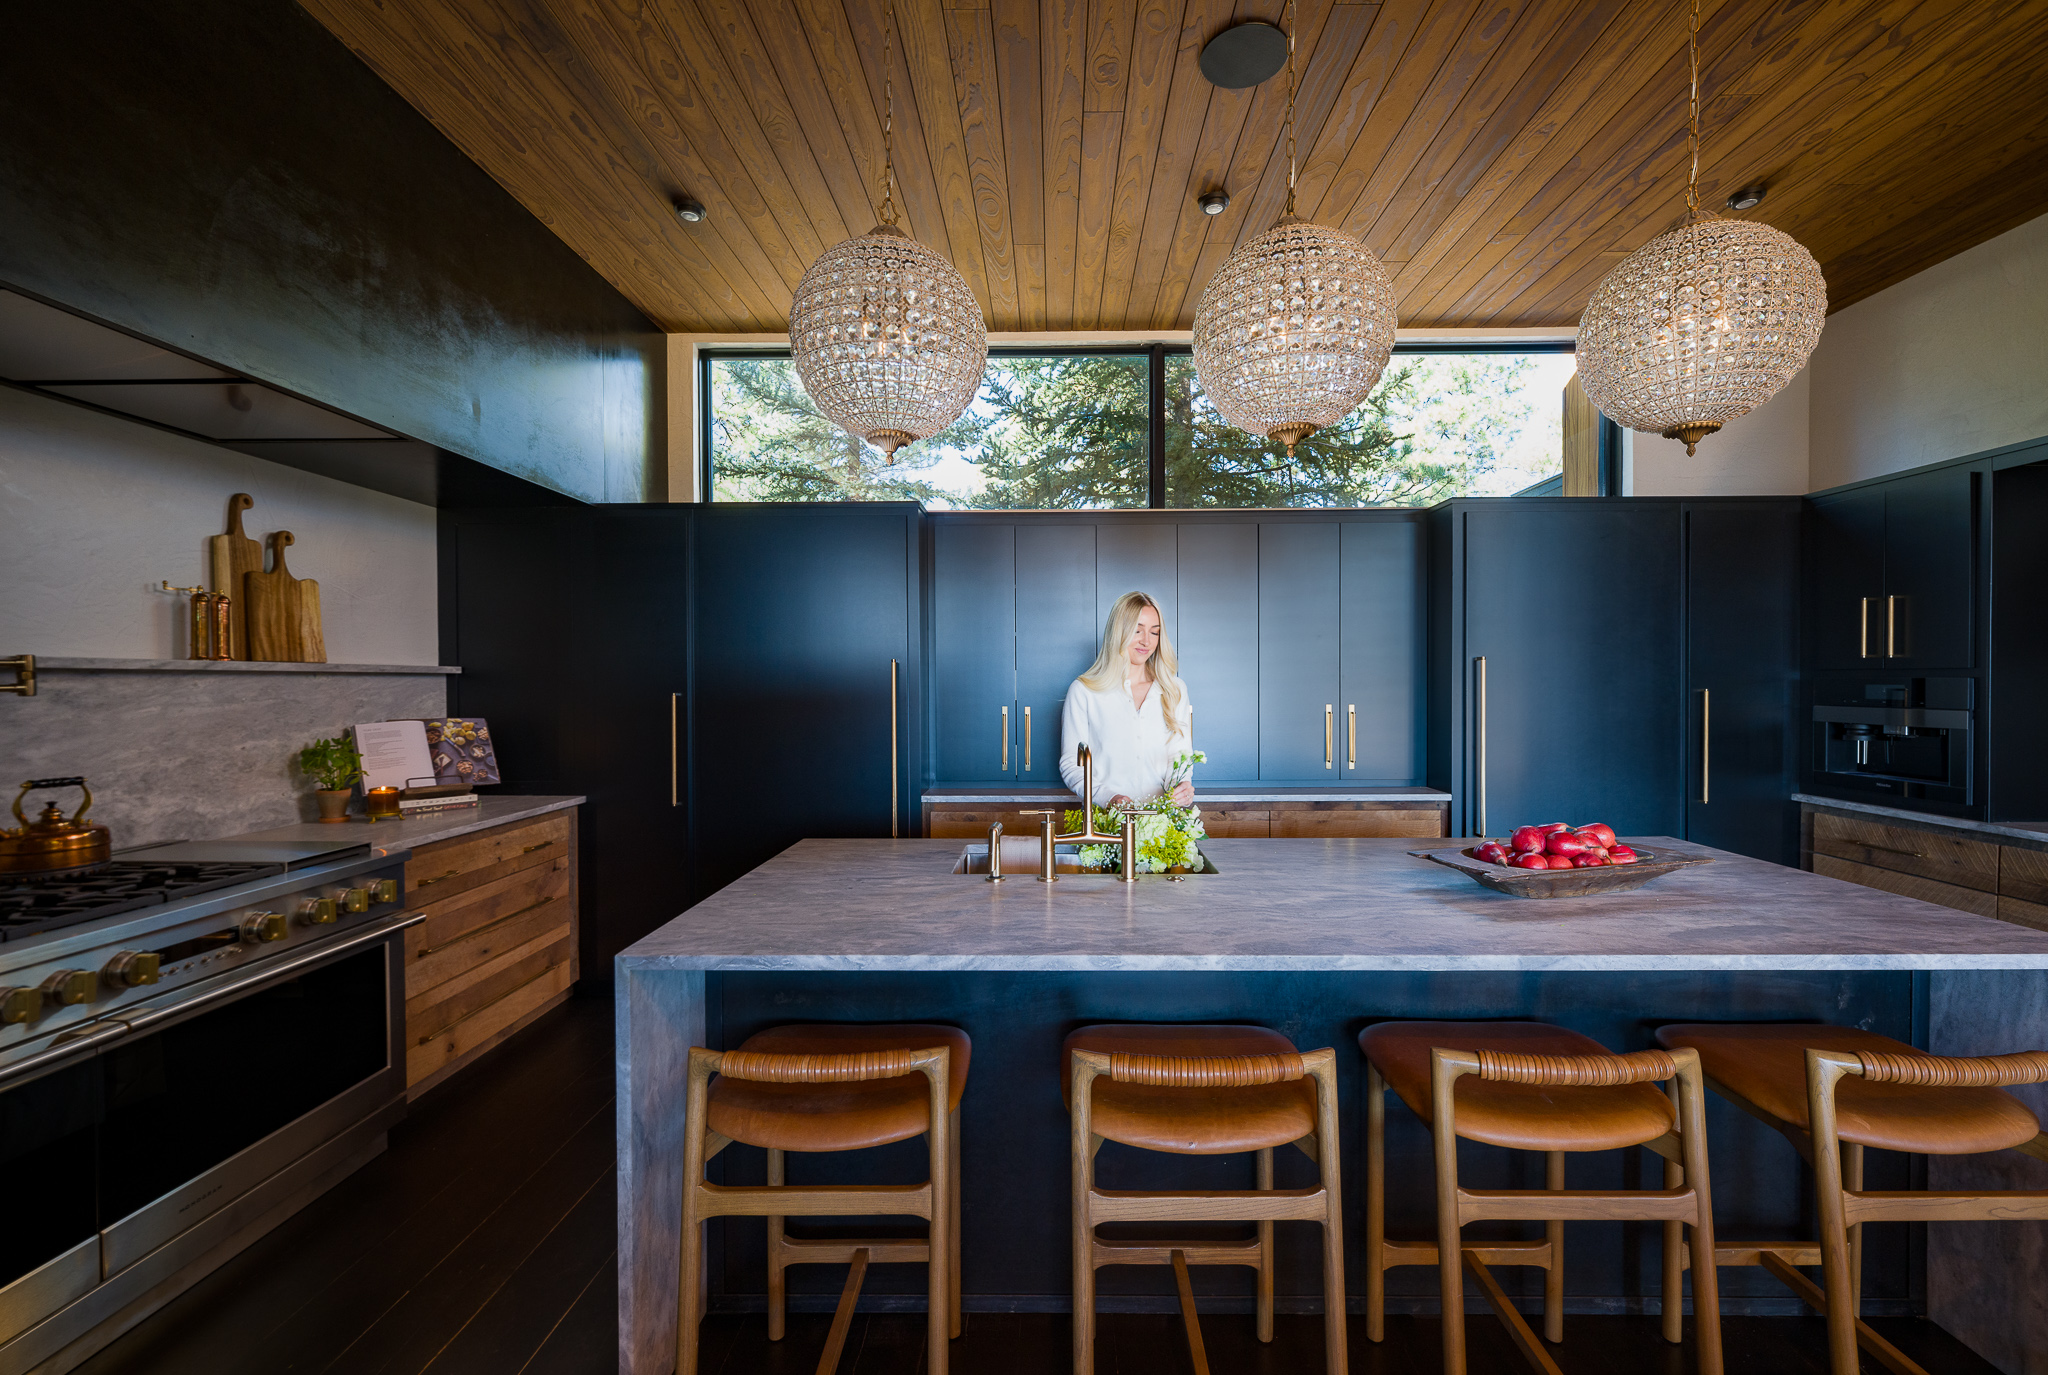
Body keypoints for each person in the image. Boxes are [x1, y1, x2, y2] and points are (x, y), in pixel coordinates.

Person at [1059, 591, 1195, 811]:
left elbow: (1179, 755)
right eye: (1137, 630)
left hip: (1162, 823)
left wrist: (1181, 785)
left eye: (1154, 632)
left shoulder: (1174, 689)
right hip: (1105, 825)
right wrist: (1108, 797)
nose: (1146, 641)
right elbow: (1072, 764)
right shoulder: (1084, 691)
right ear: (1118, 631)